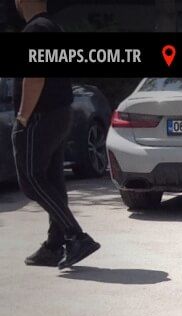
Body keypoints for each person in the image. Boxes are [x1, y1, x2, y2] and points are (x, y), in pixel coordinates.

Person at [11, 0, 100, 269]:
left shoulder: (35, 30)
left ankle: (76, 236)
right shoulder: (53, 27)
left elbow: (35, 76)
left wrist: (23, 117)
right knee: (52, 181)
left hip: (40, 116)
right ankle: (54, 245)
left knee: (31, 179)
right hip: (60, 113)